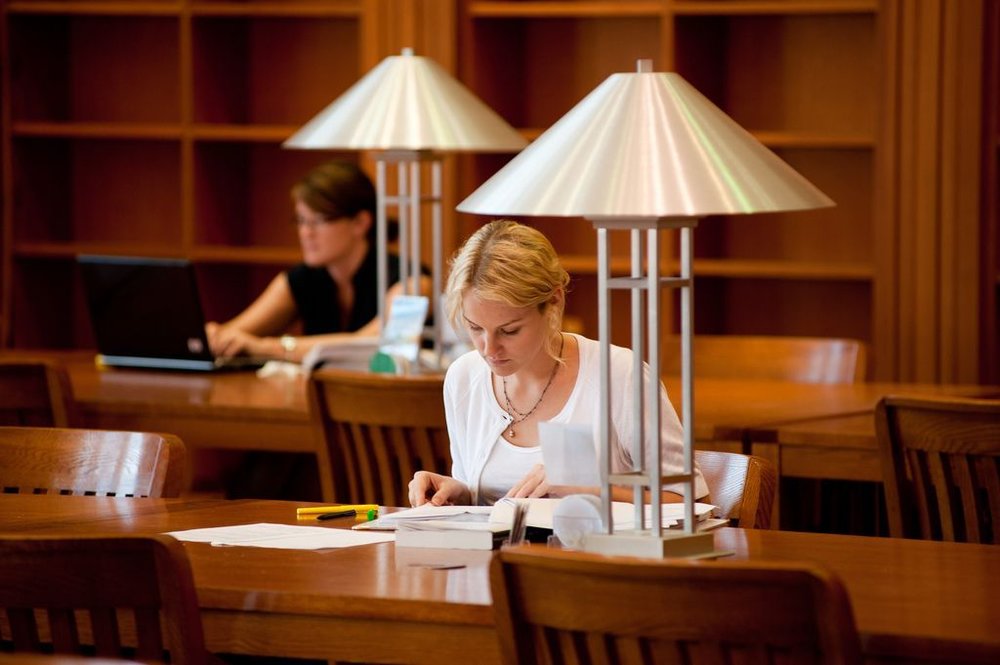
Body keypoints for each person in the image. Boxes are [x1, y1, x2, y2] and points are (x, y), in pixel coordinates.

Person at [408, 220, 707, 507]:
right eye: (475, 328)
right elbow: (483, 506)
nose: (489, 349)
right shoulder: (464, 377)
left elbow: (692, 501)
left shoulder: (619, 375)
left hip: (592, 545)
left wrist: (593, 490)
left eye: (509, 330)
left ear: (554, 302)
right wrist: (459, 494)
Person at [205, 160, 426, 362]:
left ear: (360, 222)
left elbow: (381, 342)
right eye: (301, 220)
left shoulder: (412, 281)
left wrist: (266, 347)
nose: (305, 233)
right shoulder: (302, 278)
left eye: (318, 221)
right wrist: (215, 336)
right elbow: (233, 334)